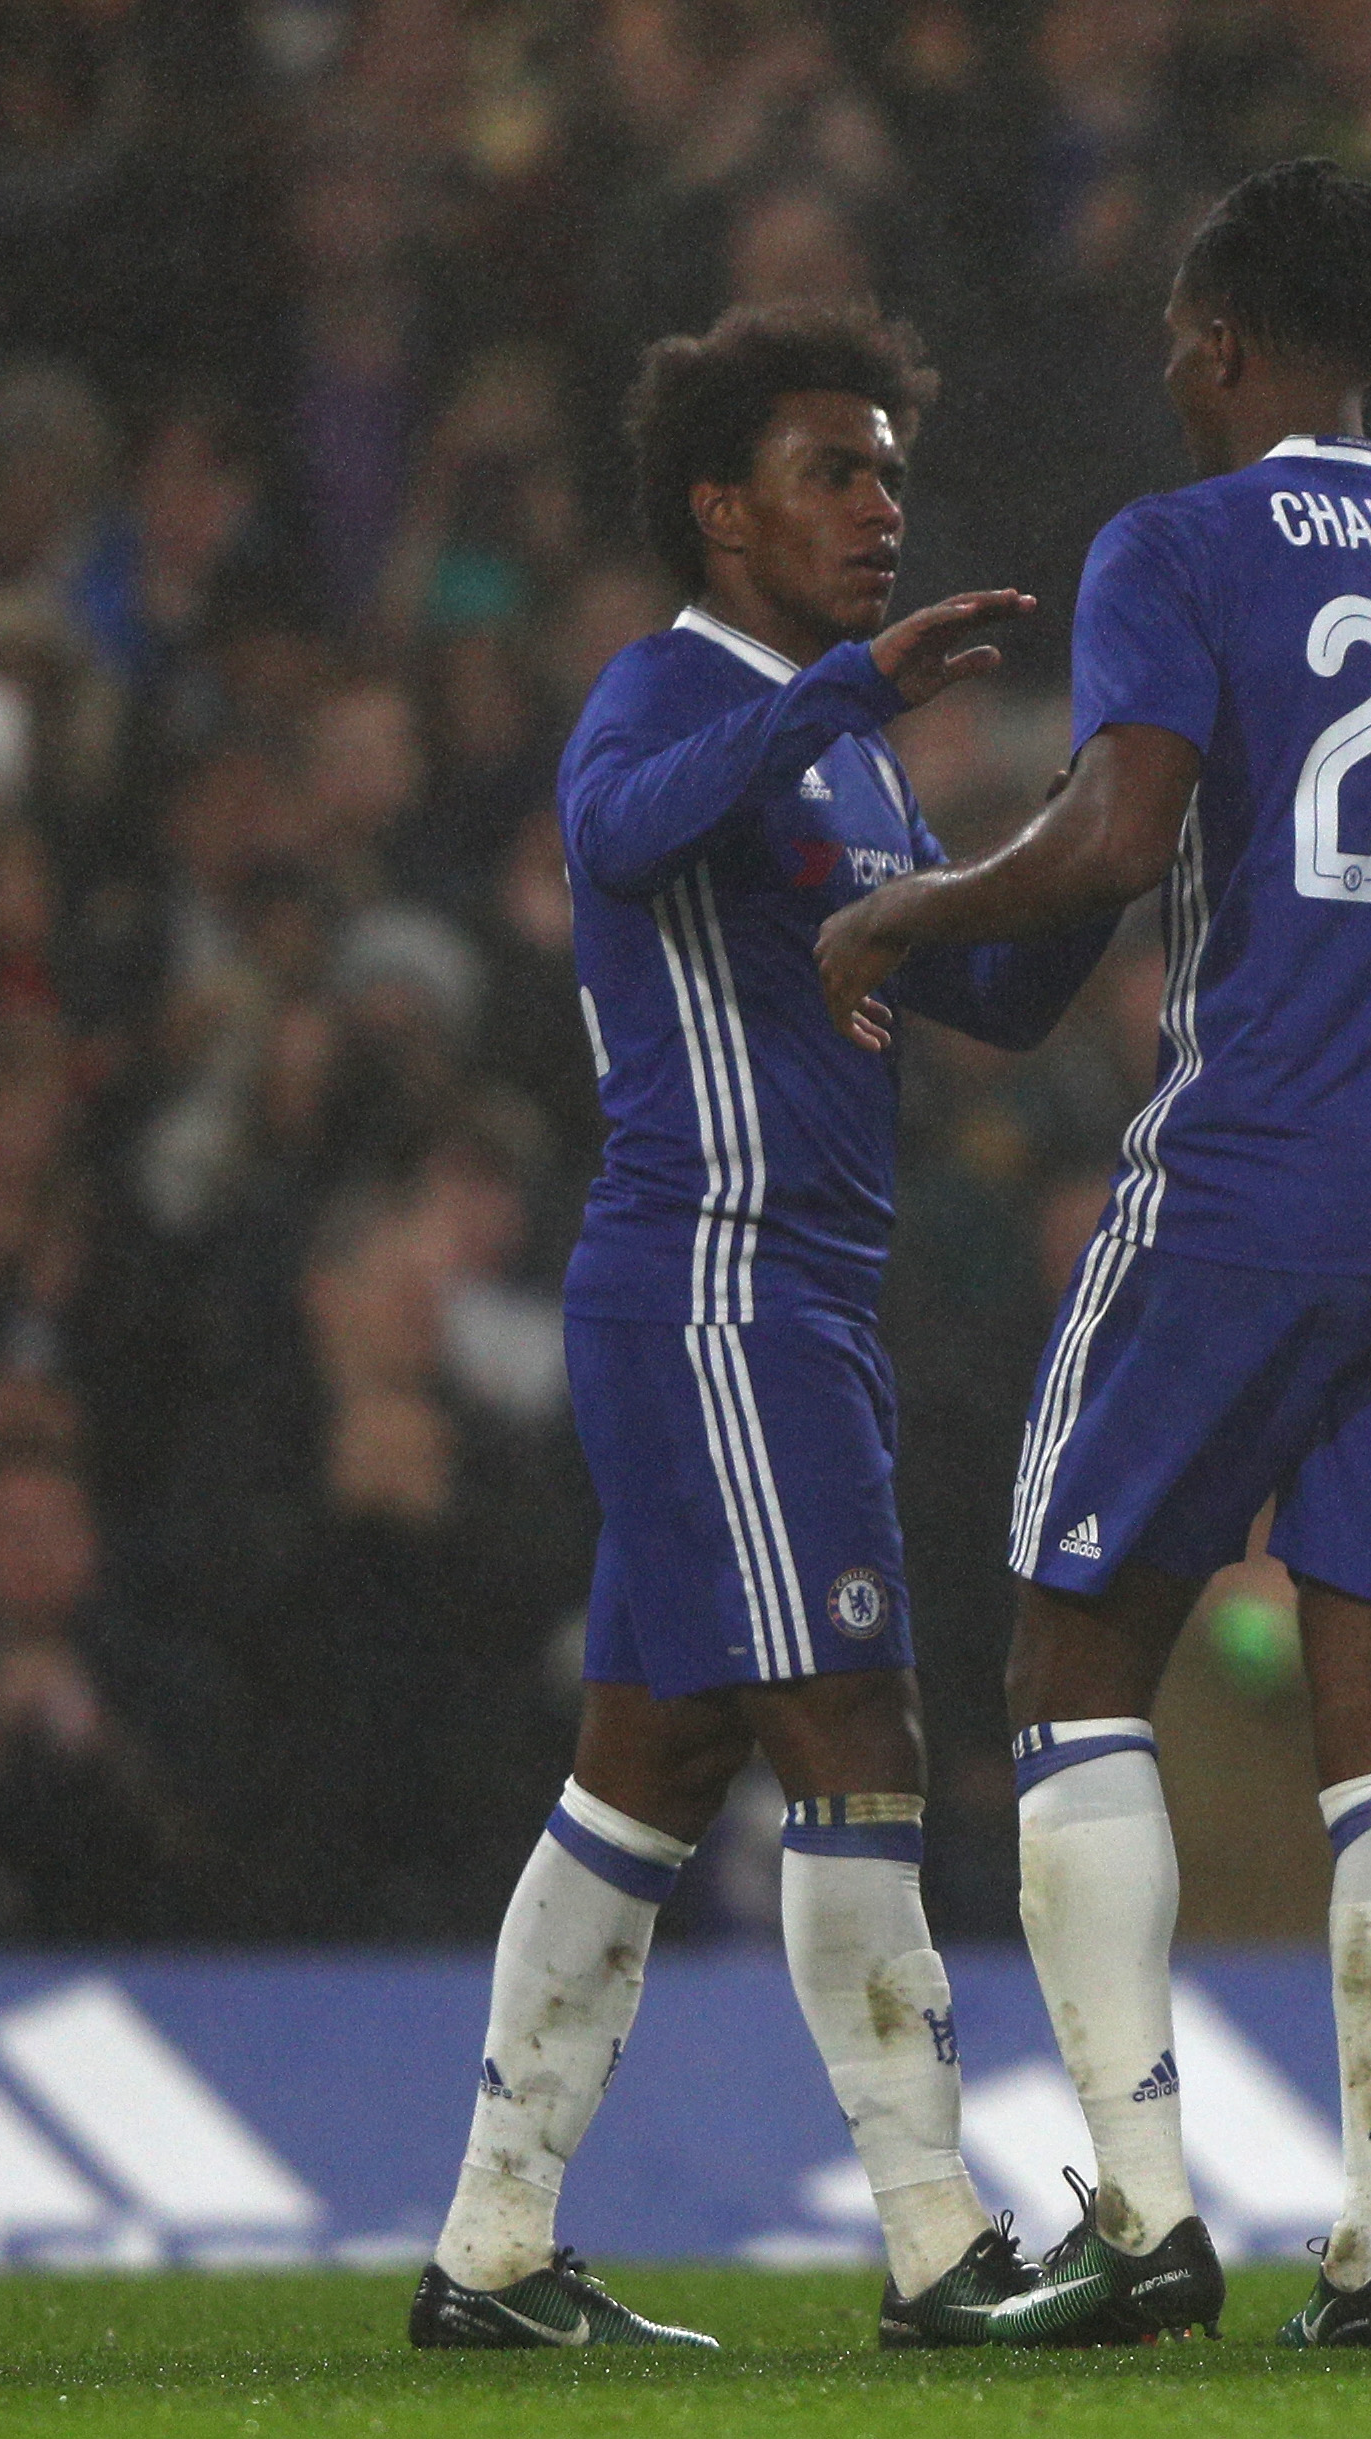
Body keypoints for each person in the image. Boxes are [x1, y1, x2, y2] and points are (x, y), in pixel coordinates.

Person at [813, 159, 1371, 2350]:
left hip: (1244, 1181)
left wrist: (896, 913)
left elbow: (1110, 835)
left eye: (1177, 342)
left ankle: (1146, 2206)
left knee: (1071, 1663)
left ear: (1217, 340)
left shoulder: (1177, 544)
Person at [411, 300, 1096, 2353]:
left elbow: (988, 998)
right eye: (835, 470)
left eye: (890, 470)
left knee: (651, 1757)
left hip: (794, 1295)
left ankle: (489, 2249)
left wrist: (1122, 830)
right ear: (720, 509)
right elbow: (611, 837)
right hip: (711, 1276)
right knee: (854, 1732)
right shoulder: (668, 692)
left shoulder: (845, 747)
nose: (880, 506)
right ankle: (934, 2242)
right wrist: (833, 697)